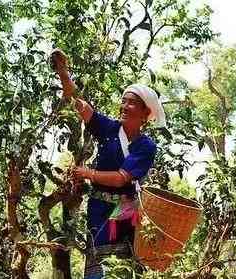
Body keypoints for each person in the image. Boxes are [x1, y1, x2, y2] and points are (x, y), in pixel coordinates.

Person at [51, 49, 166, 279]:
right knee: (96, 267)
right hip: (98, 208)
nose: (124, 106)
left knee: (121, 268)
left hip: (126, 212)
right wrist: (63, 73)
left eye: (132, 103)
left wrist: (86, 173)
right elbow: (81, 106)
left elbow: (121, 178)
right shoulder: (110, 129)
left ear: (145, 113)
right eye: (123, 101)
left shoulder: (146, 146)